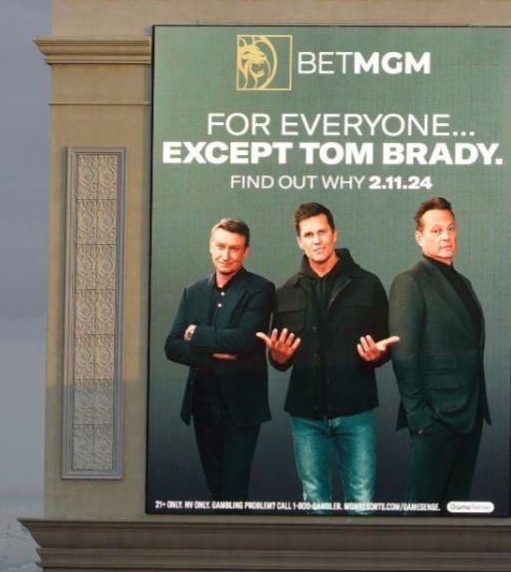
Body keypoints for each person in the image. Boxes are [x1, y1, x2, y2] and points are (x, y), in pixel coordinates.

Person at [256, 202, 396, 511]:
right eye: (309, 234)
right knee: (315, 506)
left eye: (322, 232)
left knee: (361, 503)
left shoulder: (368, 284)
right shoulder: (286, 292)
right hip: (306, 415)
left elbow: (385, 345)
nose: (316, 240)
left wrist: (377, 355)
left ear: (335, 234)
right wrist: (277, 357)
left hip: (356, 410)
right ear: (299, 241)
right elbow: (280, 360)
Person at [162, 218, 274, 502]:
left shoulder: (260, 288)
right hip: (202, 404)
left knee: (234, 491)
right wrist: (217, 353)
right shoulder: (194, 291)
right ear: (211, 246)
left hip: (241, 406)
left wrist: (197, 334)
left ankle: (238, 545)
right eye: (221, 246)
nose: (226, 255)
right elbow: (172, 345)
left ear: (246, 251)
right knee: (214, 488)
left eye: (234, 248)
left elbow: (246, 340)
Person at [389, 197, 489, 507]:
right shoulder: (410, 281)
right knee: (422, 513)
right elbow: (404, 355)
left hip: (470, 415)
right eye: (436, 230)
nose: (446, 236)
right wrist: (421, 420)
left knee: (455, 513)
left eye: (451, 229)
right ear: (419, 237)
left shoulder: (464, 282)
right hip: (435, 418)